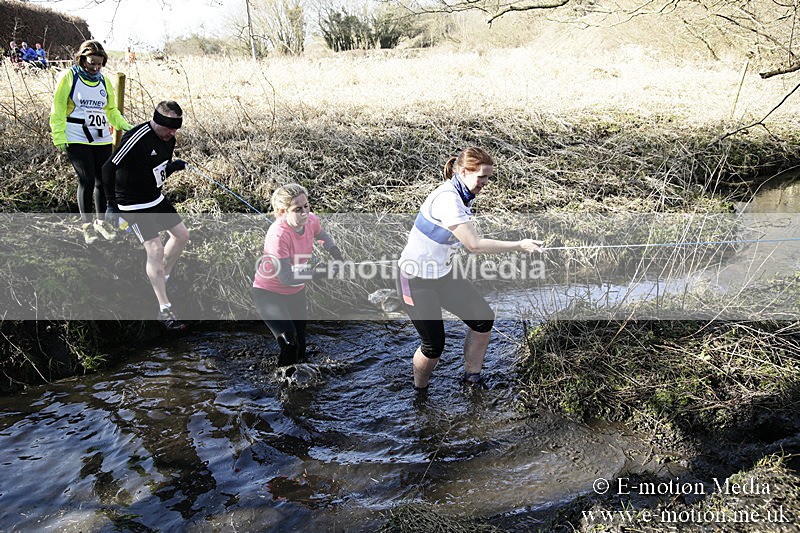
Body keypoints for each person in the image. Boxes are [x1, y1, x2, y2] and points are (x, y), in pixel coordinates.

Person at [397, 147, 543, 391]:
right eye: (481, 177)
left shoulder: (462, 193)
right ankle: (420, 392)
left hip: (443, 275)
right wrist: (519, 245)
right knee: (433, 347)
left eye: (488, 177)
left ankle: (471, 378)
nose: (485, 183)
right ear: (464, 172)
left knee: (483, 319)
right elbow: (473, 245)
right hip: (415, 280)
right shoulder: (448, 200)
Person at [102, 101, 189, 330]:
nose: (173, 133)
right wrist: (111, 205)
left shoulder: (169, 139)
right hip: (132, 205)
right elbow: (108, 168)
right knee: (155, 249)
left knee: (182, 235)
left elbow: (156, 168)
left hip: (155, 198)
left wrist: (172, 168)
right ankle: (164, 308)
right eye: (169, 127)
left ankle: (163, 278)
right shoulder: (137, 137)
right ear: (158, 121)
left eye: (176, 128)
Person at [50, 40, 132, 244]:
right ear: (82, 59)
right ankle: (87, 225)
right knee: (86, 180)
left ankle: (101, 222)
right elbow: (58, 107)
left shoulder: (104, 81)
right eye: (91, 63)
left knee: (103, 181)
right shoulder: (69, 77)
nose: (95, 67)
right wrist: (58, 134)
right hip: (76, 136)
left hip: (101, 137)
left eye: (99, 64)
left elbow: (111, 110)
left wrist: (124, 125)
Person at [252, 184, 344, 366]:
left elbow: (321, 234)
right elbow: (285, 278)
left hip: (295, 292)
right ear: (282, 212)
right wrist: (320, 273)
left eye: (306, 206)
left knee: (301, 348)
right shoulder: (278, 236)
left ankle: (303, 379)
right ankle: (280, 380)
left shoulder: (310, 220)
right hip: (269, 293)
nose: (305, 213)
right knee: (289, 343)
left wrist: (335, 252)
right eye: (297, 209)